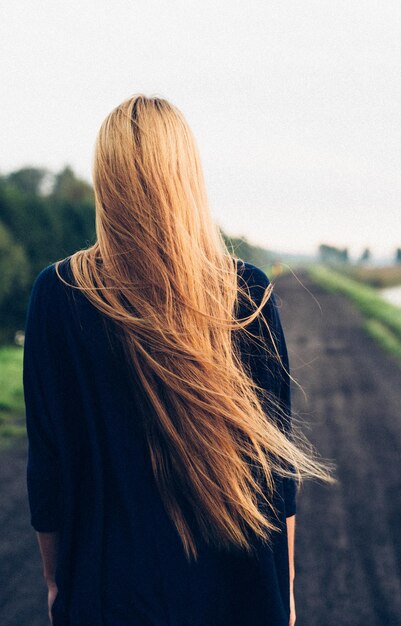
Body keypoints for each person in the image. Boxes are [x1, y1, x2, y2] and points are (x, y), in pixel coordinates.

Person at [23, 94, 334, 626]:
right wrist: (283, 590)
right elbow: (277, 474)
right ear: (187, 178)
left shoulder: (59, 295)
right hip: (239, 596)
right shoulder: (246, 293)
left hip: (110, 597)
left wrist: (56, 582)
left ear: (107, 182)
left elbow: (48, 470)